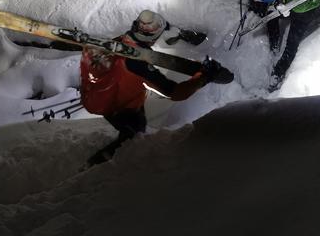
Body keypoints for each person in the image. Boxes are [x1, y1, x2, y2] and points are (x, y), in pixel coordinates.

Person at [80, 10, 233, 166]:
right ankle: (97, 166)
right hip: (118, 106)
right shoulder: (138, 64)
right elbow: (175, 93)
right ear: (154, 36)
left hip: (95, 95)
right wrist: (203, 78)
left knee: (137, 121)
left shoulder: (119, 42)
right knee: (133, 139)